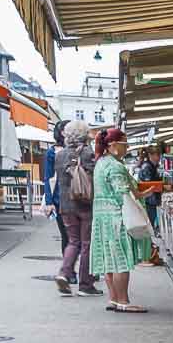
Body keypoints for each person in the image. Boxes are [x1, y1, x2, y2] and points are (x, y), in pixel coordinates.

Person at [89, 128, 153, 313]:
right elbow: (121, 192)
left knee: (109, 259)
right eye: (125, 145)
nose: (127, 149)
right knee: (121, 259)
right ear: (114, 146)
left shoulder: (100, 163)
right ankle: (124, 301)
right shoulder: (115, 166)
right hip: (116, 217)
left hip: (101, 217)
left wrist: (141, 193)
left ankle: (114, 299)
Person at [54, 120, 100, 297]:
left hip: (66, 205)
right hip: (85, 205)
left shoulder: (60, 155)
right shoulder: (89, 154)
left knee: (73, 241)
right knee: (87, 244)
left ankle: (64, 273)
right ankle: (85, 284)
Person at [43, 120, 70, 258]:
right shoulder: (51, 152)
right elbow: (47, 177)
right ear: (62, 133)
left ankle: (87, 269)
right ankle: (68, 270)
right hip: (60, 200)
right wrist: (49, 202)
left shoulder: (79, 149)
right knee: (66, 235)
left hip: (79, 198)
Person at [137, 146, 164, 266]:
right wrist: (160, 186)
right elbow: (148, 185)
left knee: (149, 228)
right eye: (157, 155)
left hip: (150, 201)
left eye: (159, 155)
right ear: (151, 156)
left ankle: (148, 255)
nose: (158, 158)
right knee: (148, 229)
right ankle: (146, 257)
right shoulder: (147, 167)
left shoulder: (151, 166)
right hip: (149, 201)